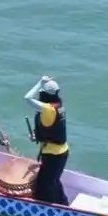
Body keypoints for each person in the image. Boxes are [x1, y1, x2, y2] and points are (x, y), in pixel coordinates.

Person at [25, 76, 69, 205]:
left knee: (44, 186)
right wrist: (36, 135)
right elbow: (53, 128)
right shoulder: (58, 106)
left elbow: (27, 98)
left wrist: (40, 82)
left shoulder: (47, 109)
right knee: (54, 181)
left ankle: (52, 209)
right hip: (62, 152)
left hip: (53, 155)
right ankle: (64, 204)